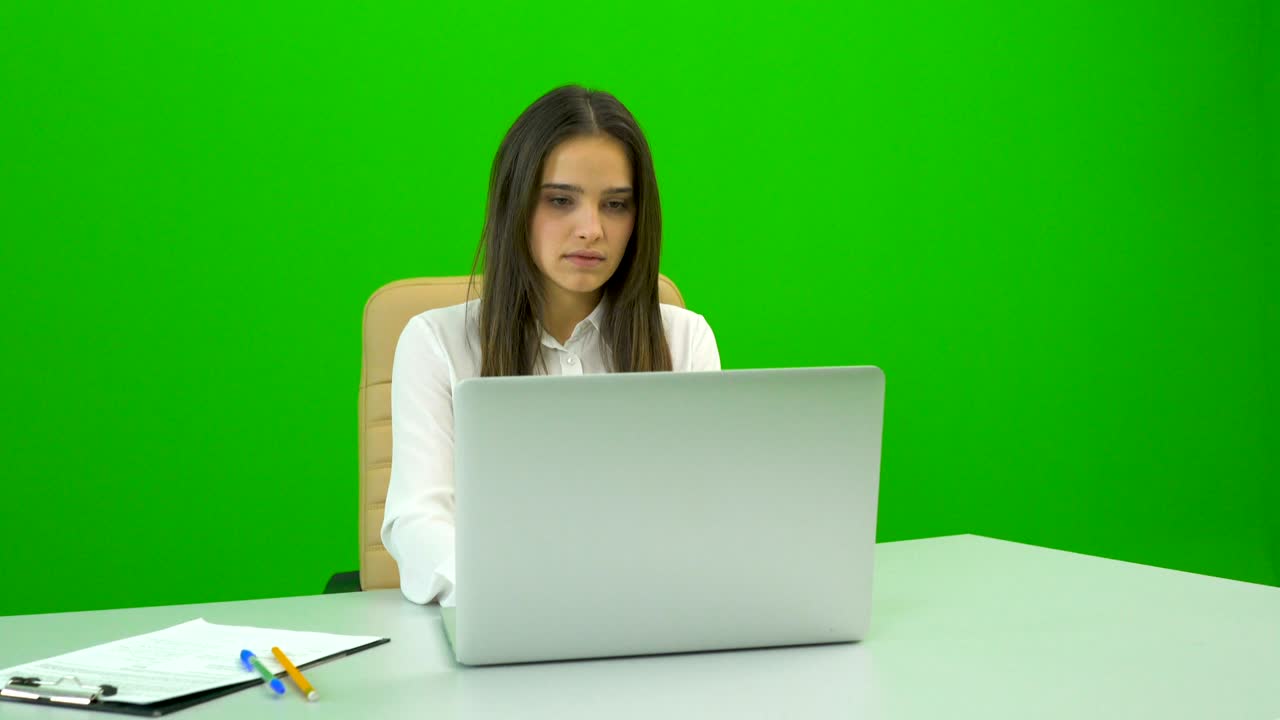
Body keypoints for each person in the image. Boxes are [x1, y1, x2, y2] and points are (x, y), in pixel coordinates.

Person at [381, 85, 722, 606]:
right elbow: (419, 524)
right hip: (501, 624)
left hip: (651, 621)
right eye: (561, 200)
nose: (591, 230)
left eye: (615, 205)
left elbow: (707, 515)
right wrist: (523, 599)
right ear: (514, 204)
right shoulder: (436, 344)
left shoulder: (685, 339)